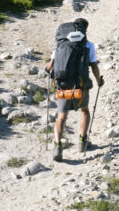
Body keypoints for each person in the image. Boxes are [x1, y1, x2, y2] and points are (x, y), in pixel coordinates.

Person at [44, 17, 103, 160]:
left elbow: (50, 66)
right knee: (84, 111)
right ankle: (82, 142)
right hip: (81, 86)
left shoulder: (61, 44)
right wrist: (98, 80)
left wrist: (47, 69)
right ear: (84, 30)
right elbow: (94, 65)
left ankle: (58, 147)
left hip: (63, 85)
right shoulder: (88, 45)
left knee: (61, 117)